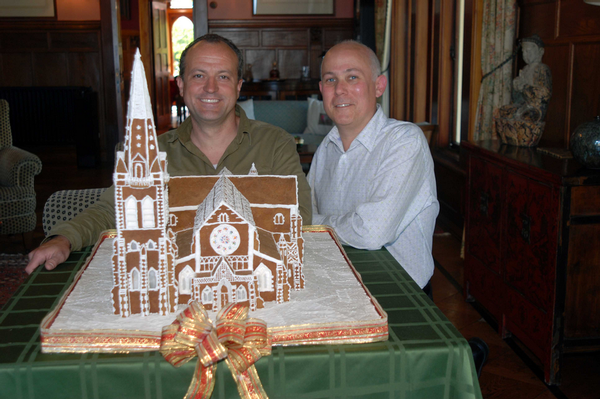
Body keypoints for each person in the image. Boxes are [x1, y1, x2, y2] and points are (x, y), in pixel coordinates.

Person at [26, 33, 311, 274]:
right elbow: (111, 209)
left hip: (255, 277)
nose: (210, 88)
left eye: (222, 76)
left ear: (238, 87)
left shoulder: (275, 143)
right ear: (181, 84)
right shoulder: (151, 153)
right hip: (174, 282)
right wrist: (63, 239)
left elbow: (300, 216)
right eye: (199, 75)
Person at [307, 40, 439, 291]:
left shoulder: (404, 141)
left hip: (400, 290)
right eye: (331, 80)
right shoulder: (326, 148)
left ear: (379, 86)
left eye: (352, 77)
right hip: (342, 285)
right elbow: (302, 214)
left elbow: (372, 232)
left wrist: (313, 222)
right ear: (321, 89)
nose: (340, 90)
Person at [495, 34, 552, 124]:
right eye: (523, 51)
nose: (525, 54)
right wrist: (516, 87)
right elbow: (517, 98)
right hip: (523, 105)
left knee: (524, 116)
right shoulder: (525, 69)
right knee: (504, 110)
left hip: (535, 108)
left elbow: (544, 94)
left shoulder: (542, 69)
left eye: (528, 51)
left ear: (540, 52)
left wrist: (524, 87)